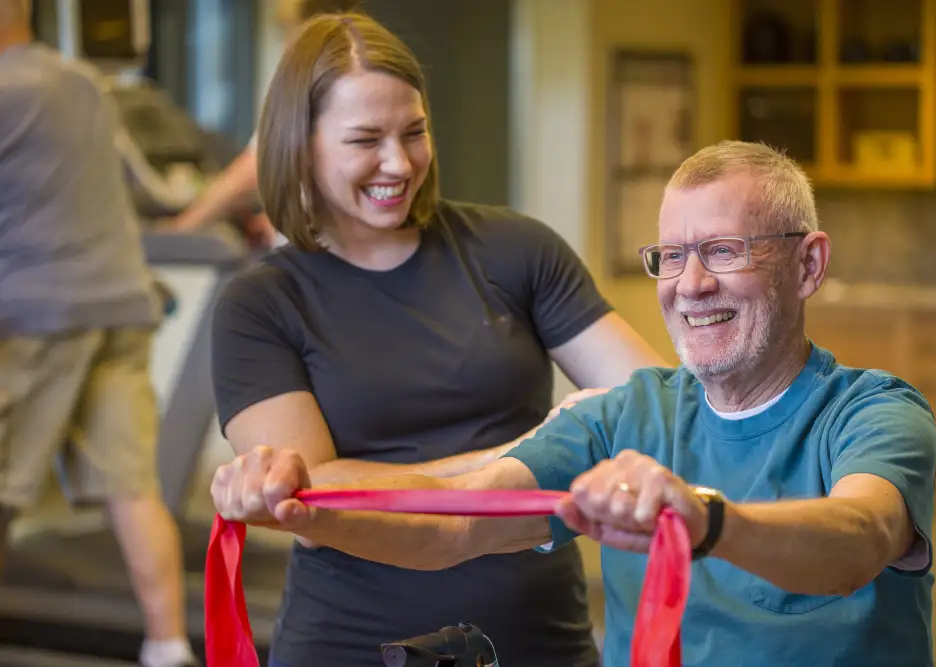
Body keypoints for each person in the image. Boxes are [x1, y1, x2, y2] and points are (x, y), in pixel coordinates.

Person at [212, 140, 936, 667]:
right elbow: (449, 520)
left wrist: (708, 519)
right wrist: (296, 498)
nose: (690, 285)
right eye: (672, 256)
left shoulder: (873, 413)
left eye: (722, 251)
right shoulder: (625, 416)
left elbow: (858, 536)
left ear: (807, 263)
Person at [208, 9, 668, 667]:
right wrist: (531, 453)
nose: (398, 162)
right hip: (348, 645)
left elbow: (651, 404)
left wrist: (415, 482)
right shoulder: (259, 304)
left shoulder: (516, 250)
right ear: (300, 143)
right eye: (365, 139)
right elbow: (310, 500)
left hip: (538, 638)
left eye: (414, 132)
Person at [0, 2, 196, 666]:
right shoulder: (81, 79)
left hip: (35, 317)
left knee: (3, 491)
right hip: (120, 306)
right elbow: (150, 189)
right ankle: (167, 643)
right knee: (132, 486)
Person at [166, 0, 349, 246]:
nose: (286, 46)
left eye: (289, 31)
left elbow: (249, 171)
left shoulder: (308, 87)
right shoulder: (350, 80)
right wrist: (279, 221)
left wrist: (179, 228)